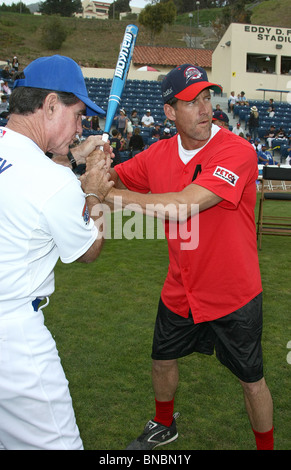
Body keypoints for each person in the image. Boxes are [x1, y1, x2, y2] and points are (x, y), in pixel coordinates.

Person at [105, 64, 274, 451]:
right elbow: (115, 177)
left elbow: (183, 206)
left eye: (206, 98)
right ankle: (164, 424)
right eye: (191, 101)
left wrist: (107, 196)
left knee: (252, 381)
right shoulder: (157, 155)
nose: (204, 109)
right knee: (162, 360)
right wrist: (97, 166)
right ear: (169, 112)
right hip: (181, 287)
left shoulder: (237, 150)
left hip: (234, 292)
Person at [0, 54, 114, 450]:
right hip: (15, 339)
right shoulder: (54, 182)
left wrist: (73, 156)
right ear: (49, 105)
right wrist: (95, 190)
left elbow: (29, 170)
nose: (81, 126)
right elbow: (89, 249)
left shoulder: (14, 151)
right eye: (78, 115)